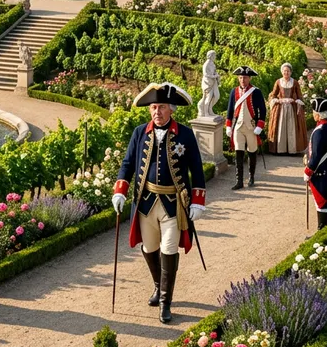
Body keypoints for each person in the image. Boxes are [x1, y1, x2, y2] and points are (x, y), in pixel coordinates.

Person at [112, 82, 206, 324]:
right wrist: (120, 190)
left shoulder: (185, 134)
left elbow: (196, 168)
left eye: (162, 107)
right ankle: (157, 284)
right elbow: (127, 164)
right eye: (154, 107)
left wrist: (197, 201)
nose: (157, 112)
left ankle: (166, 302)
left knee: (169, 249)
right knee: (149, 248)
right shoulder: (139, 132)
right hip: (145, 202)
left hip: (173, 205)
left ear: (171, 109)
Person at [226, 66, 267, 190]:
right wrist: (228, 126)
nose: (242, 80)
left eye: (244, 77)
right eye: (240, 77)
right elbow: (230, 110)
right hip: (238, 126)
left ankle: (251, 176)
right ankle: (239, 181)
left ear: (249, 78)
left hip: (251, 127)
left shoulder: (256, 92)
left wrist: (260, 125)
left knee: (252, 152)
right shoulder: (234, 91)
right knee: (238, 153)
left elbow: (262, 110)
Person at [305, 97, 327, 231]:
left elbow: (316, 155)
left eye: (314, 112)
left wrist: (308, 170)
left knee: (321, 203)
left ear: (319, 115)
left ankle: (322, 230)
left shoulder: (319, 131)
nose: (313, 114)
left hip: (320, 172)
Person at [267, 63, 307, 155]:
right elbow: (273, 95)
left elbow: (300, 96)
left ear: (291, 72)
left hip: (291, 108)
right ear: (282, 72)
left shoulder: (295, 82)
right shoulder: (278, 82)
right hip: (280, 108)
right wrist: (277, 100)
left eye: (288, 71)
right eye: (284, 71)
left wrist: (296, 101)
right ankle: (281, 149)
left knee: (291, 127)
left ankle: (292, 149)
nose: (286, 73)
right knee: (281, 127)